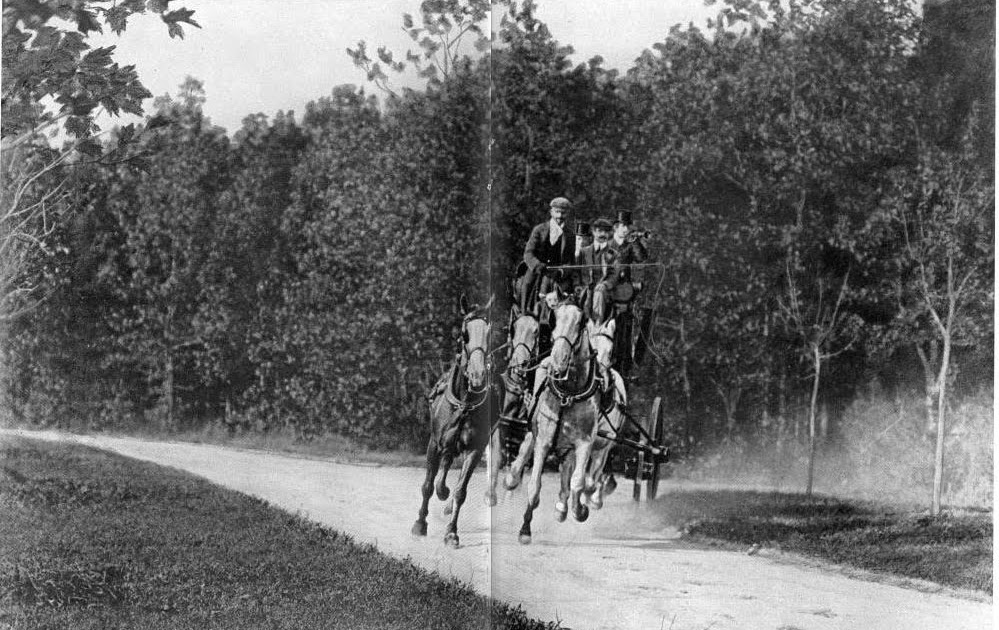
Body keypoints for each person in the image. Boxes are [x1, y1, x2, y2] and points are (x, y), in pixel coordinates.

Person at [607, 210, 650, 379]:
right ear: (616, 227)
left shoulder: (630, 244)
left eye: (628, 226)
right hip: (608, 288)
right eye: (623, 226)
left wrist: (636, 241)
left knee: (625, 326)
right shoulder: (607, 244)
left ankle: (624, 365)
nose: (626, 229)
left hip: (623, 292)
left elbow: (641, 258)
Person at [519, 197, 577, 315]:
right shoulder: (539, 230)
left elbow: (571, 261)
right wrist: (537, 265)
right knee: (527, 283)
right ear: (551, 212)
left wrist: (562, 271)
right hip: (538, 269)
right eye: (557, 212)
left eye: (563, 213)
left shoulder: (570, 235)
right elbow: (528, 253)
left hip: (557, 272)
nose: (560, 216)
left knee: (568, 293)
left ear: (567, 214)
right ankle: (524, 313)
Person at [577, 217, 617, 323]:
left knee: (599, 292)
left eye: (606, 231)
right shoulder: (583, 252)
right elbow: (576, 272)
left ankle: (596, 325)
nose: (603, 234)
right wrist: (577, 285)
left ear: (609, 234)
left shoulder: (613, 254)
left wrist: (605, 284)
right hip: (585, 287)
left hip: (604, 291)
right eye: (599, 231)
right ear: (594, 232)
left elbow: (614, 275)